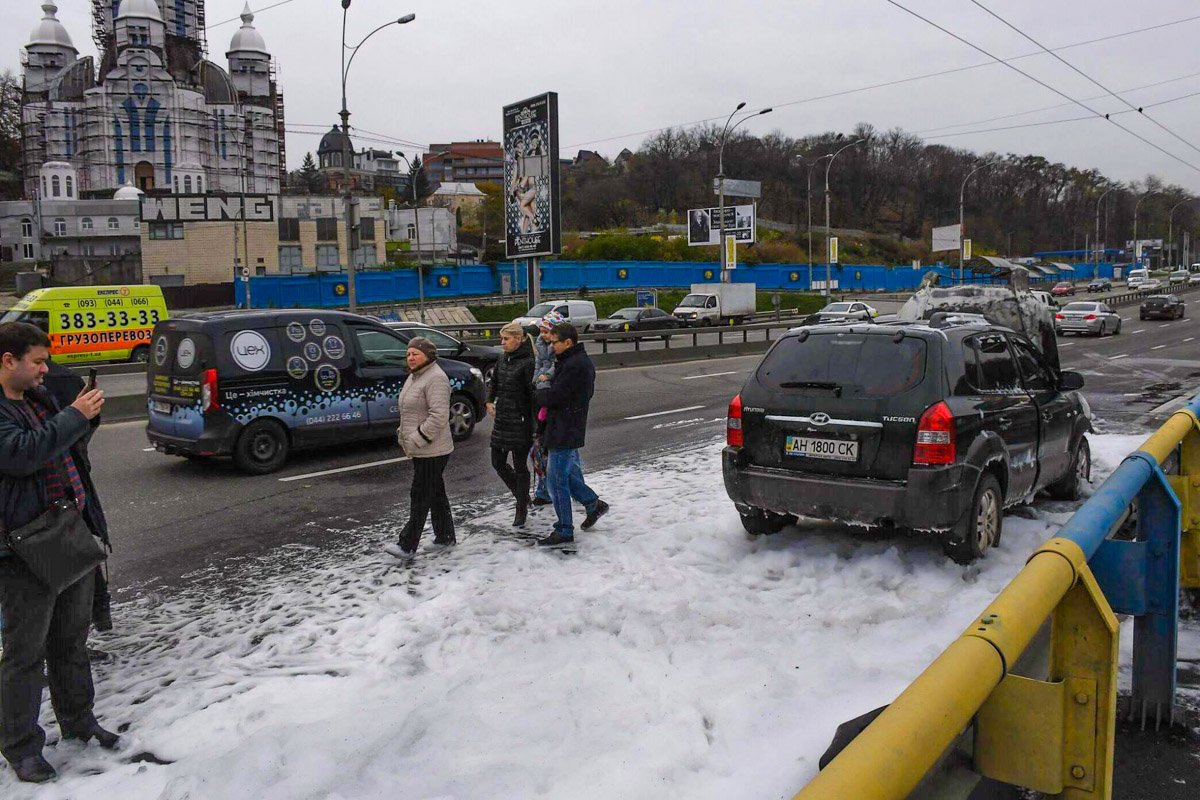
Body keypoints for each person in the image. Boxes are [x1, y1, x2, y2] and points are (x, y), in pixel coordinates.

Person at [0, 322, 116, 784]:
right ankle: (21, 748)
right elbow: (21, 455)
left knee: (71, 641)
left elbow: (69, 443)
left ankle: (79, 723)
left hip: (68, 533)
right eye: (38, 361)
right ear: (8, 361)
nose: (45, 369)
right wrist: (73, 415)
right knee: (25, 654)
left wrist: (85, 414)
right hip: (24, 549)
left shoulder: (36, 396)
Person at [41, 361, 111, 635]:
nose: (41, 371)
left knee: (73, 563)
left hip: (60, 502)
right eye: (36, 363)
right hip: (57, 503)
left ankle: (90, 618)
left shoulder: (44, 385)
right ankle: (94, 615)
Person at [535, 322, 609, 547]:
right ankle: (592, 503)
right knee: (562, 476)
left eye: (555, 342)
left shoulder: (575, 365)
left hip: (565, 428)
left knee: (555, 481)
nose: (552, 346)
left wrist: (540, 390)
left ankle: (564, 529)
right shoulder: (571, 361)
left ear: (568, 342)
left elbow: (556, 396)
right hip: (563, 426)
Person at [385, 337, 455, 559]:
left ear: (428, 355)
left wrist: (417, 438)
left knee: (420, 494)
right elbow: (409, 410)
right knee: (435, 494)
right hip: (421, 447)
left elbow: (439, 416)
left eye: (416, 353)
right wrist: (403, 435)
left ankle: (407, 545)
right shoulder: (415, 376)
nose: (411, 357)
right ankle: (445, 537)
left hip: (433, 448)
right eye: (408, 354)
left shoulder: (435, 378)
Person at [486, 323, 536, 527]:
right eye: (502, 339)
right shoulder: (502, 358)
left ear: (518, 339)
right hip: (502, 420)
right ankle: (521, 495)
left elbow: (533, 396)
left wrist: (534, 425)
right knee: (497, 462)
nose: (502, 343)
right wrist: (489, 400)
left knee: (520, 465)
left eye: (506, 339)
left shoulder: (528, 363)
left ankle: (521, 508)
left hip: (520, 422)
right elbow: (494, 382)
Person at [530, 310, 564, 507]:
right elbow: (538, 365)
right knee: (541, 447)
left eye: (546, 331)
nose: (543, 335)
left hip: (550, 396)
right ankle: (544, 490)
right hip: (540, 393)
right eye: (541, 331)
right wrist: (535, 380)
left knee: (556, 451)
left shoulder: (559, 349)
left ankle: (567, 488)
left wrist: (546, 377)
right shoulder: (541, 345)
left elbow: (556, 366)